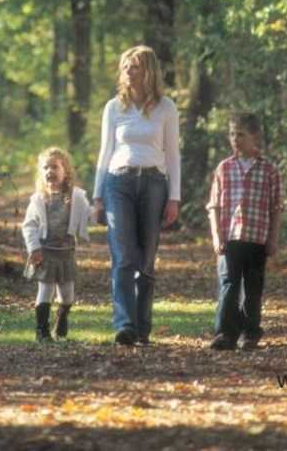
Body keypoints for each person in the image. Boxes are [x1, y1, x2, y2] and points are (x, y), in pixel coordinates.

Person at [93, 44, 181, 347]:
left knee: (146, 258)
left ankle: (143, 328)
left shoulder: (166, 107)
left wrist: (174, 198)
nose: (129, 72)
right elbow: (105, 153)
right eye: (125, 67)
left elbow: (173, 157)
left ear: (149, 71)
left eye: (135, 67)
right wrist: (97, 196)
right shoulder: (113, 107)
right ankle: (125, 325)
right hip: (118, 183)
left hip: (155, 184)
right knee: (123, 256)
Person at [207, 113, 283, 350]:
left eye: (241, 134)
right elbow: (214, 206)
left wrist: (273, 239)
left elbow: (276, 207)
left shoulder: (269, 168)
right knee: (228, 283)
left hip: (256, 237)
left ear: (255, 137)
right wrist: (217, 235)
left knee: (252, 286)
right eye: (231, 134)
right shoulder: (224, 168)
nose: (235, 139)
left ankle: (250, 332)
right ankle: (225, 333)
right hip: (229, 237)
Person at [22, 146, 91, 343]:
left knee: (67, 295)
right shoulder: (38, 200)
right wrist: (34, 247)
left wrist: (103, 215)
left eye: (54, 167)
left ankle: (62, 316)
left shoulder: (76, 197)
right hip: (45, 253)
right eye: (45, 168)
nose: (49, 171)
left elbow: (88, 216)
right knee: (45, 290)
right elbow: (29, 226)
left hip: (66, 253)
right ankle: (41, 331)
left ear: (65, 171)